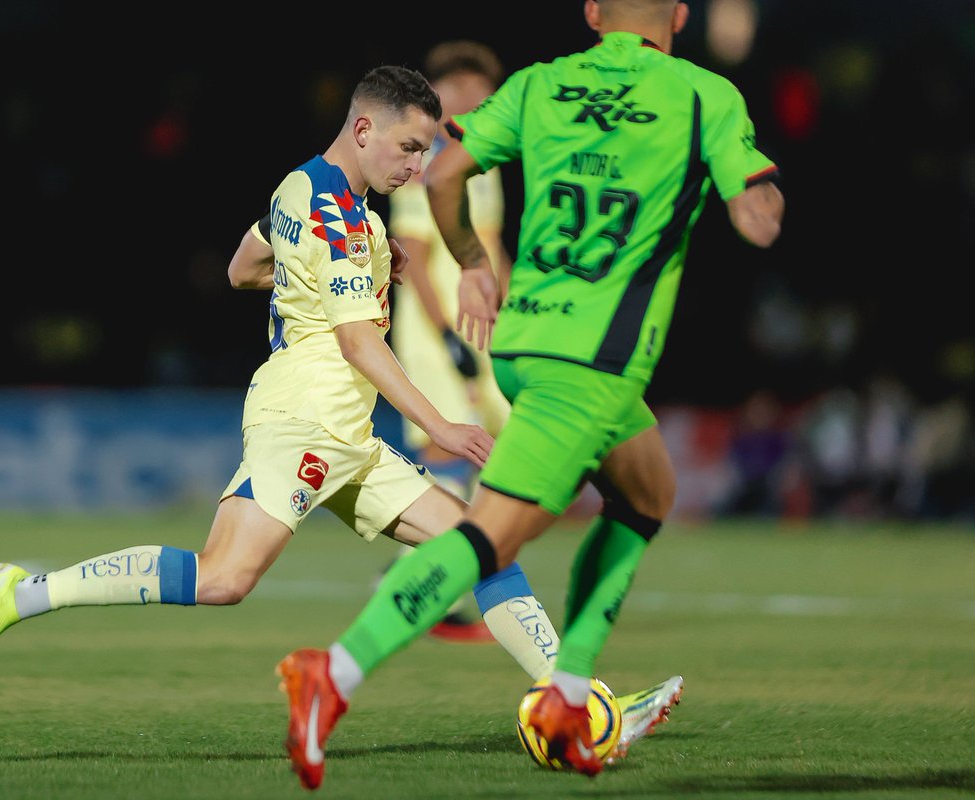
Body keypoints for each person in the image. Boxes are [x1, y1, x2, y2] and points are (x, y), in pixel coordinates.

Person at [277, 0, 785, 789]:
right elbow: (756, 220)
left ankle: (568, 694)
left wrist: (473, 261)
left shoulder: (542, 85)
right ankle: (335, 672)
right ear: (681, 15)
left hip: (520, 342)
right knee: (488, 540)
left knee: (648, 494)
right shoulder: (702, 95)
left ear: (591, 13)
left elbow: (444, 171)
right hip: (587, 362)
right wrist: (755, 185)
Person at [0, 65, 563, 690]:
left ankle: (571, 694)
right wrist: (442, 426)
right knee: (222, 578)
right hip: (304, 422)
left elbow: (243, 270)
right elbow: (356, 342)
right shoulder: (337, 212)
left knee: (484, 548)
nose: (417, 167)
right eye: (409, 148)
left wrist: (347, 269)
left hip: (345, 430)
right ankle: (21, 594)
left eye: (426, 152)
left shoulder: (302, 189)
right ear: (365, 127)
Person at [385, 40, 512, 642]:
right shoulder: (424, 163)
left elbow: (491, 249)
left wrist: (515, 318)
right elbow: (414, 258)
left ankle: (426, 577)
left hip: (484, 327)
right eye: (457, 92)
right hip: (436, 332)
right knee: (450, 449)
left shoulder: (481, 164)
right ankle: (428, 588)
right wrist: (443, 334)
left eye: (478, 92)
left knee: (500, 448)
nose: (470, 101)